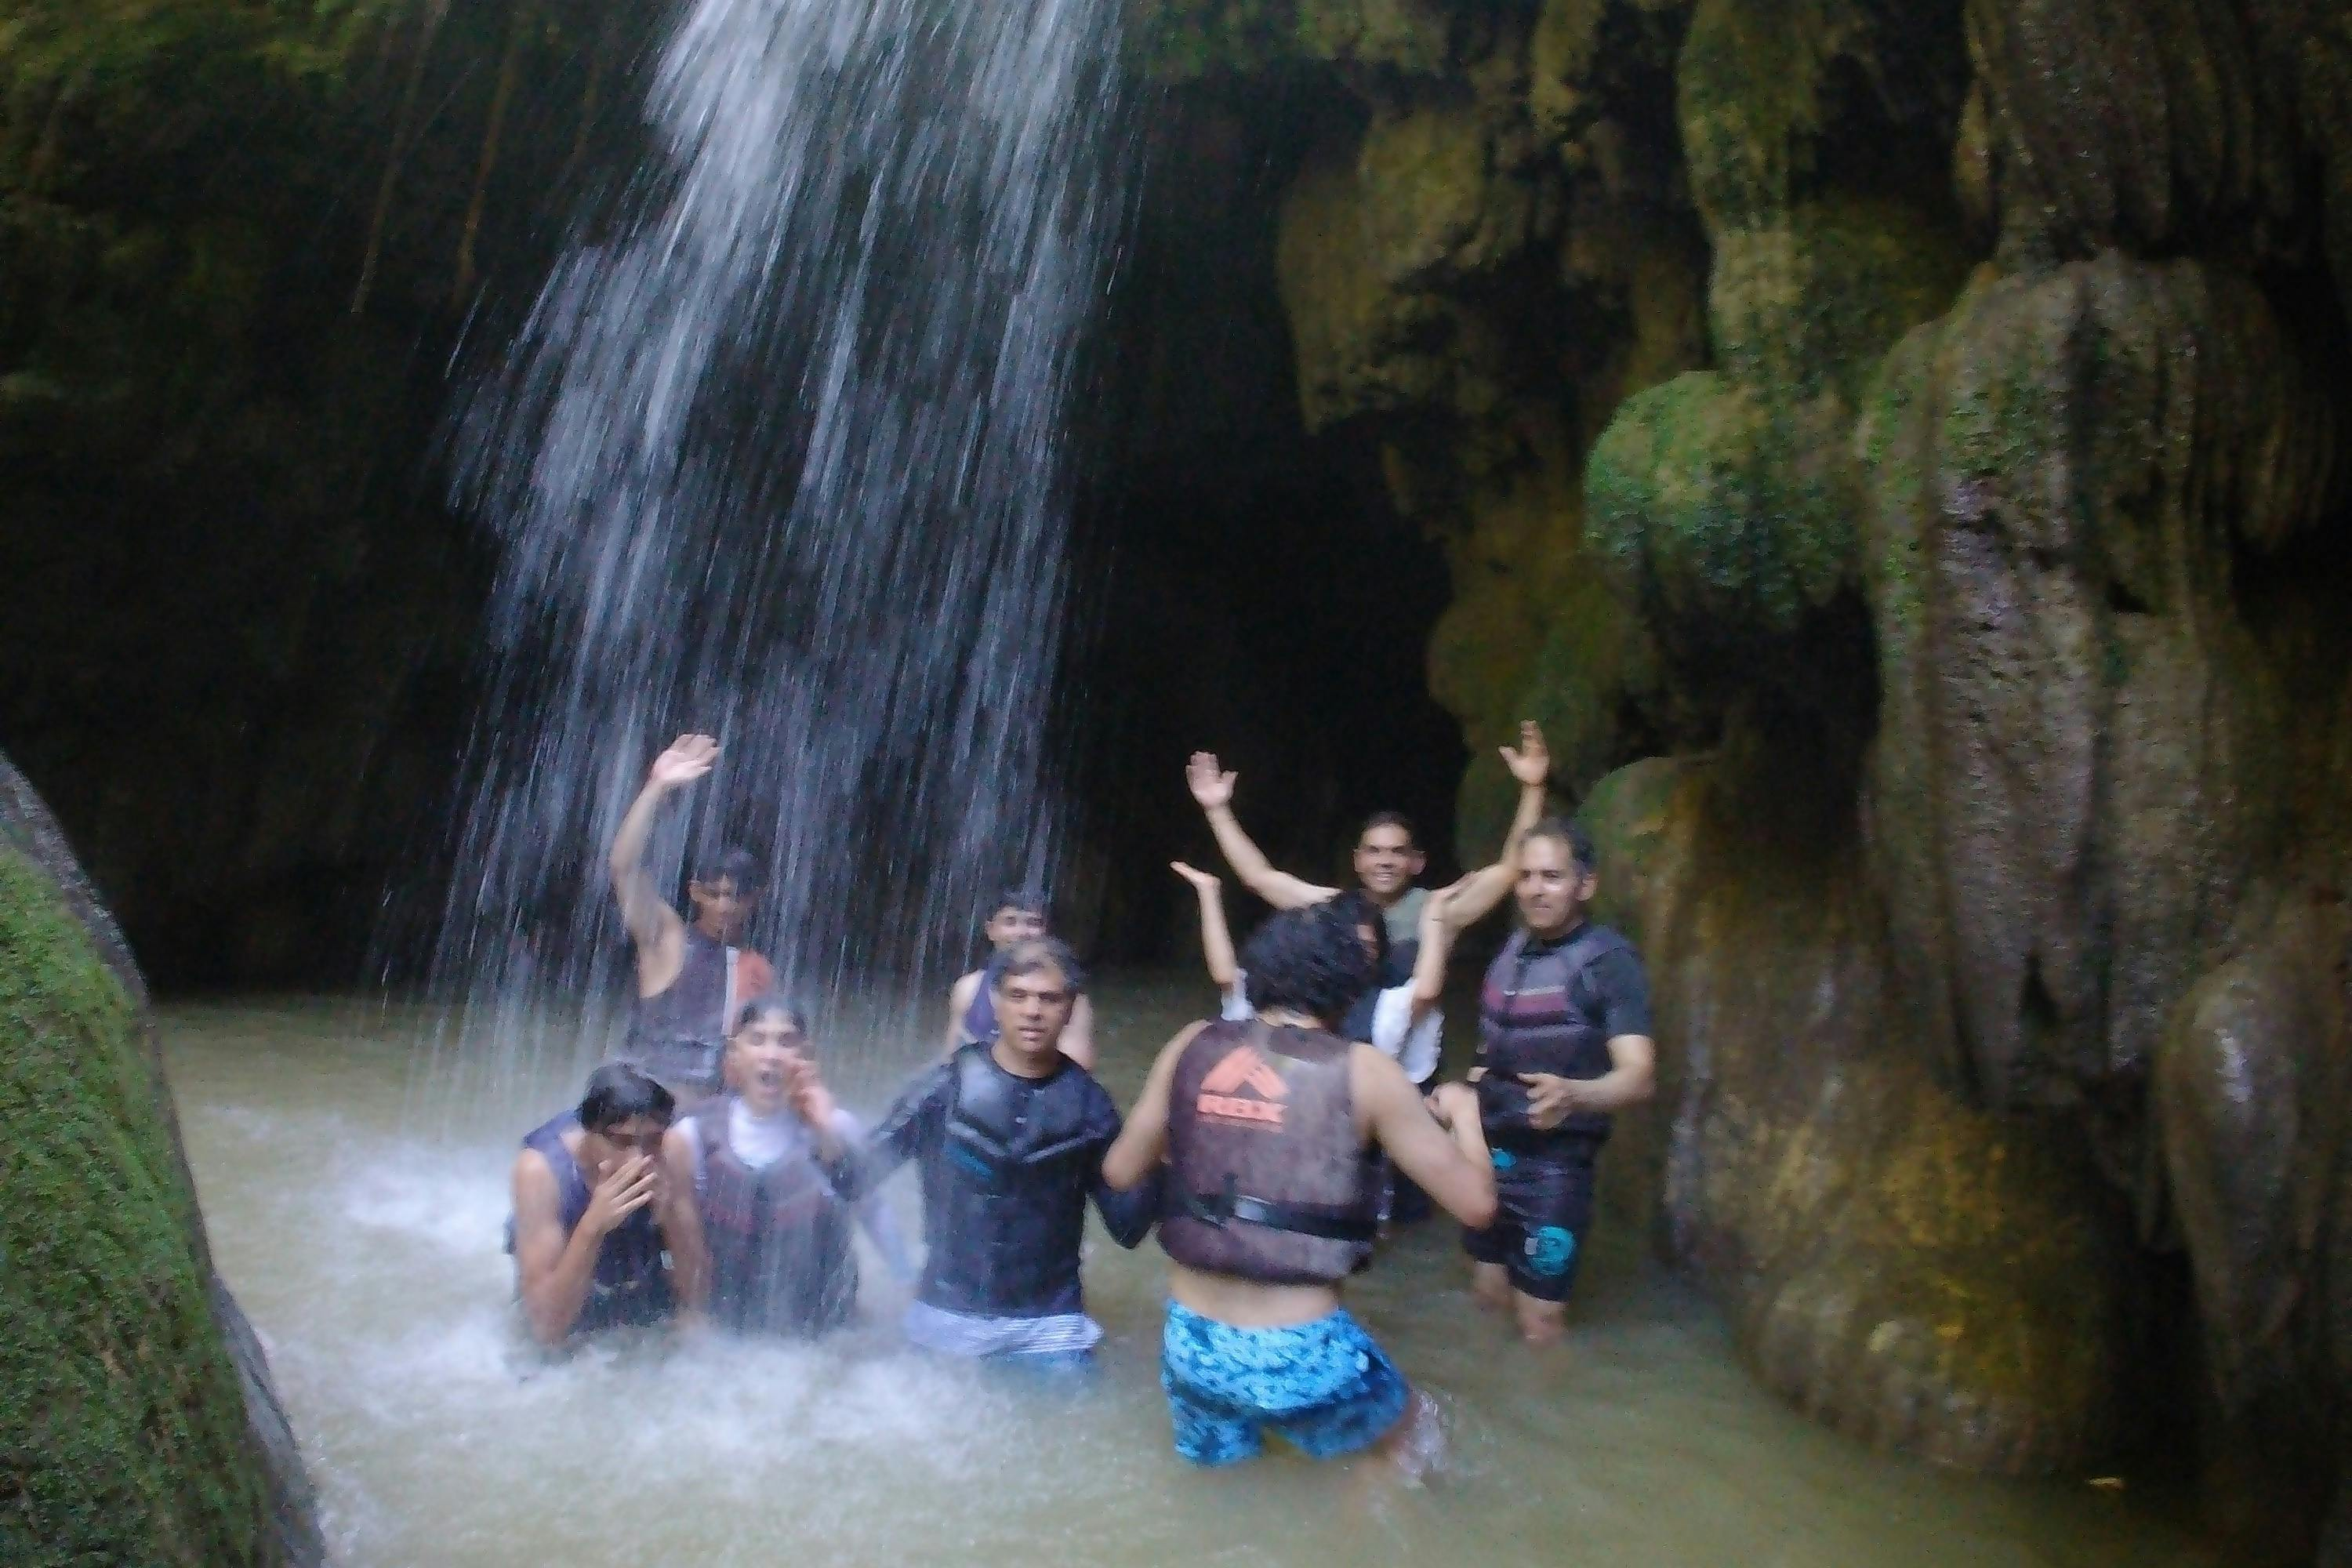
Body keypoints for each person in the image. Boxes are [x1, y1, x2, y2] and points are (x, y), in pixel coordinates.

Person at [1102, 903, 1499, 1468]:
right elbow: (1479, 1206)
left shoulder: (1191, 1043)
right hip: (1297, 1351)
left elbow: (1119, 1172)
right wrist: (1467, 1116)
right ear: (1348, 987)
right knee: (1406, 1439)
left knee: (1226, 1483)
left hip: (1191, 1343)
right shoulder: (1366, 1071)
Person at [866, 938, 1154, 1364]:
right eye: (1018, 996)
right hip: (947, 1313)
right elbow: (854, 1178)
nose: (1033, 1011)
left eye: (1049, 999)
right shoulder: (940, 1090)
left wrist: (1162, 1148)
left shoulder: (1090, 1105)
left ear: (1071, 1008)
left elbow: (1127, 1229)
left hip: (1051, 1326)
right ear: (995, 1001)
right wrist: (814, 1122)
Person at [1460, 817, 1655, 1345]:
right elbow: (1494, 1043)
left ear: (1584, 885)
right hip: (1488, 1151)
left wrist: (1577, 1094)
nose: (1534, 889)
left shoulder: (1610, 964)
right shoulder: (1512, 949)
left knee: (1540, 1323)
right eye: (1525, 876)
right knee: (1486, 1295)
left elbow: (1639, 1078)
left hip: (1555, 1168)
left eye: (1551, 876)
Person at [662, 996, 913, 1337]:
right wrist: (692, 1312)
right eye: (757, 1039)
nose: (771, 1054)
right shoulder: (692, 1137)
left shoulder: (836, 1128)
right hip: (728, 1320)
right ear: (734, 1055)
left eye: (786, 1041)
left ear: (805, 1056)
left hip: (821, 1323)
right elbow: (680, 1237)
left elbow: (873, 1211)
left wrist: (909, 1286)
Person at [1184, 720, 1555, 947]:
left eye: (1396, 852)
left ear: (1417, 862)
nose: (1385, 862)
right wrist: (1217, 809)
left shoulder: (1441, 911)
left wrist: (1533, 788)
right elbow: (1260, 878)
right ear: (1358, 861)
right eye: (1374, 852)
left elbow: (1510, 868)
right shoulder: (1337, 909)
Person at [608, 733, 777, 1098]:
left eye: (735, 897)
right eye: (713, 894)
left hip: (711, 1113)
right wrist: (657, 787)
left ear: (754, 900)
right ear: (695, 892)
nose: (723, 906)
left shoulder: (756, 968)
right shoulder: (668, 939)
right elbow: (624, 867)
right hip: (645, 1104)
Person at [507, 1063, 705, 1346]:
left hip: (640, 1301)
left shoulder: (671, 1151)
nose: (639, 1158)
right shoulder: (539, 1173)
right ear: (588, 1133)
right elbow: (546, 1328)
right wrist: (592, 1226)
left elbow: (698, 1295)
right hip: (565, 1315)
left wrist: (672, 1215)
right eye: (623, 1142)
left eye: (651, 1141)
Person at [941, 887, 1097, 1069]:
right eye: (1010, 922)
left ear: (1045, 931)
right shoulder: (968, 987)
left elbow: (1079, 1068)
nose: (1022, 932)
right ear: (991, 930)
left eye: (1033, 923)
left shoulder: (1068, 995)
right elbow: (951, 1058)